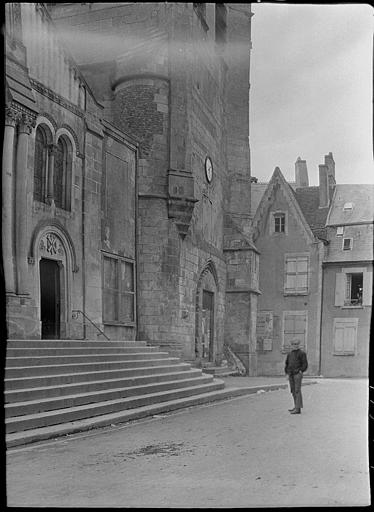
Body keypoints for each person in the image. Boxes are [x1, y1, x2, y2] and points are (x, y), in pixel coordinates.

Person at [284, 338, 308, 414]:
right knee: (293, 390)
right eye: (294, 344)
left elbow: (305, 364)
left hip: (297, 374)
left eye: (297, 344)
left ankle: (298, 408)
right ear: (291, 345)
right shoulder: (289, 354)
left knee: (297, 390)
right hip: (291, 374)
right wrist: (287, 373)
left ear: (299, 345)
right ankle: (296, 406)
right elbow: (287, 364)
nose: (295, 346)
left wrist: (301, 371)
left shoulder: (302, 353)